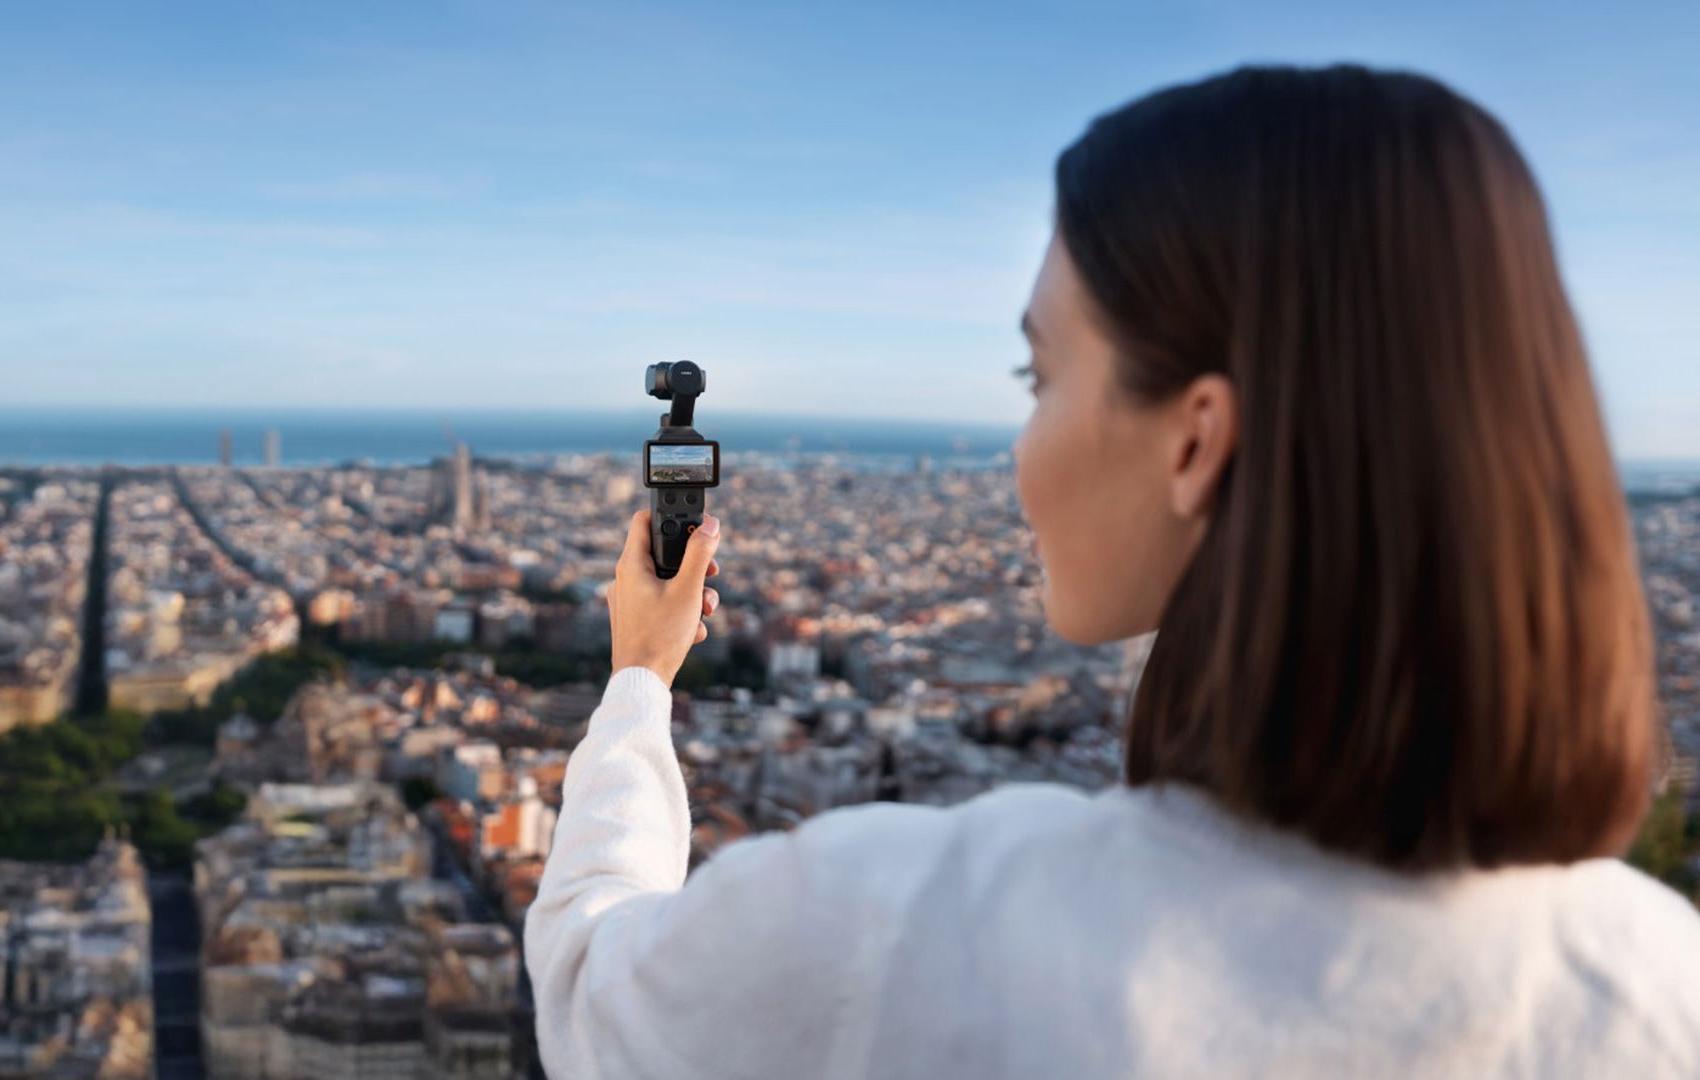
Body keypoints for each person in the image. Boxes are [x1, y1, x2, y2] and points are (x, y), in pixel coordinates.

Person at [523, 61, 1700, 1079]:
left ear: (1195, 440)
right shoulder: (1662, 987)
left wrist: (638, 682)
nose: (1022, 448)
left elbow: (588, 983)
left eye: (1039, 383)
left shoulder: (914, 937)